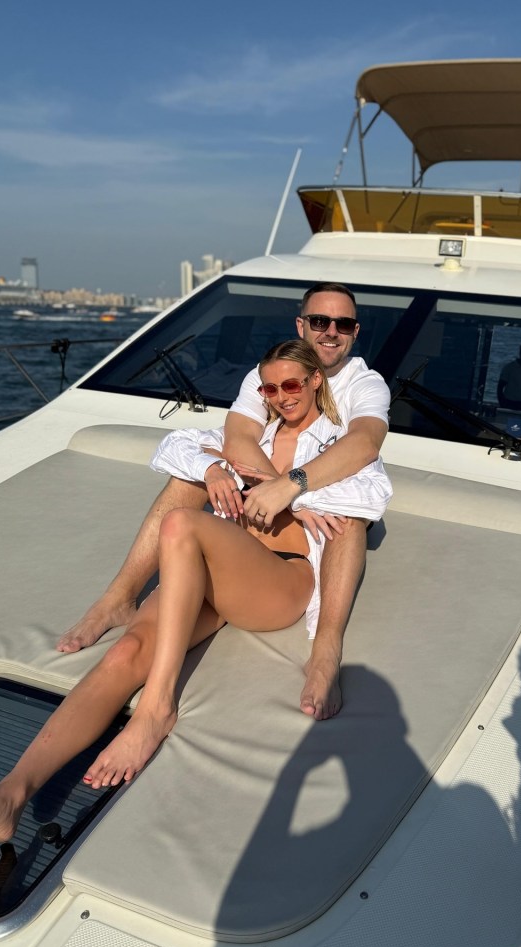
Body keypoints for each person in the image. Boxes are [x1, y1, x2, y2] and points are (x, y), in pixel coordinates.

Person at [0, 340, 392, 844]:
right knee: (128, 651)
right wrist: (214, 468)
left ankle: (157, 709)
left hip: (280, 581)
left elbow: (365, 497)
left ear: (315, 381)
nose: (281, 396)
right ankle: (7, 797)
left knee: (182, 523)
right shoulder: (255, 438)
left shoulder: (333, 446)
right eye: (270, 388)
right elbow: (181, 445)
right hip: (220, 569)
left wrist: (295, 492)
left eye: (292, 384)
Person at [57, 282, 390, 720]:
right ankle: (118, 598)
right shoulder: (265, 373)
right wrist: (279, 488)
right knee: (193, 476)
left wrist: (292, 487)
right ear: (301, 325)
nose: (330, 331)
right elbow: (239, 437)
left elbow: (364, 442)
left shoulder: (364, 383)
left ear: (355, 330)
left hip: (326, 487)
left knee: (349, 511)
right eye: (319, 321)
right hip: (277, 483)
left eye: (342, 323)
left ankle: (326, 647)